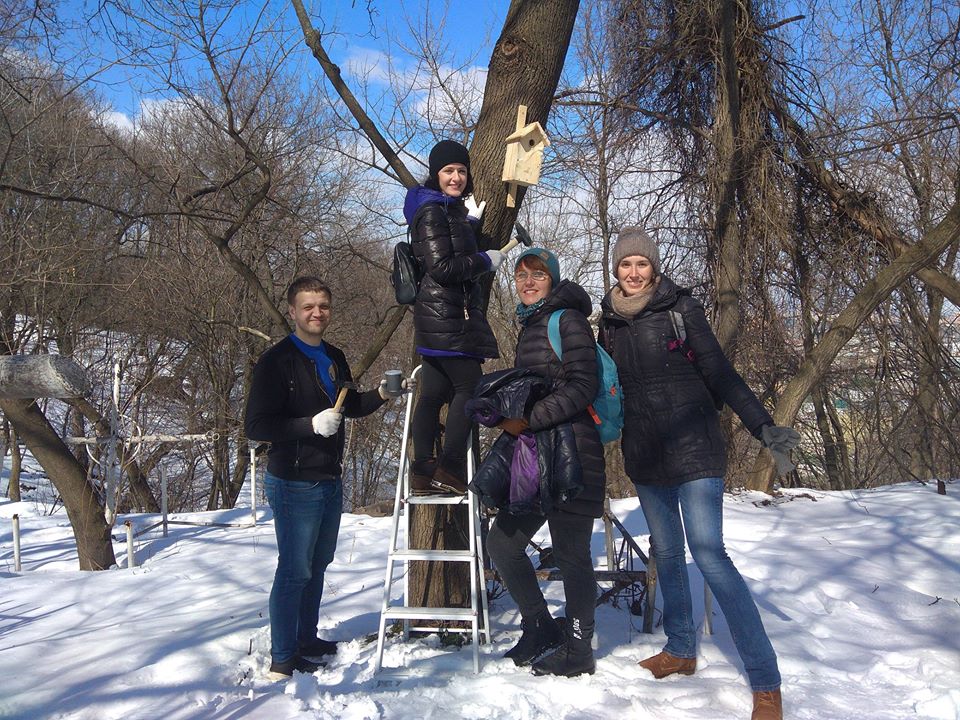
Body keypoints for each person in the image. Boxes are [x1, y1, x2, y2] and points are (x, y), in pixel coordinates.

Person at [598, 227, 800, 720]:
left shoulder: (680, 309)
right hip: (646, 454)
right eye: (625, 265)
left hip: (695, 449)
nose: (633, 273)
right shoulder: (607, 324)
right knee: (666, 553)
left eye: (641, 264)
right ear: (616, 270)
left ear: (654, 268)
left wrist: (766, 429)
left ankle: (766, 682)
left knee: (710, 556)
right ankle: (682, 649)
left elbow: (720, 372)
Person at [244, 276, 402, 679]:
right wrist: (308, 425)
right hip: (294, 482)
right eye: (309, 307)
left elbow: (347, 408)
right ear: (293, 311)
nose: (317, 313)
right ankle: (282, 658)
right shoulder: (276, 362)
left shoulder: (334, 355)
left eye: (324, 307)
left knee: (318, 564)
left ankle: (307, 640)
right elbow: (256, 426)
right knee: (295, 569)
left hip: (330, 478)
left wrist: (382, 394)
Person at [485, 247, 607, 678]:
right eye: (522, 275)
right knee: (501, 543)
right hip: (537, 456)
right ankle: (540, 625)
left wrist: (528, 418)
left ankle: (579, 648)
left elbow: (583, 386)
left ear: (552, 280)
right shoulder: (531, 324)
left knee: (572, 556)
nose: (529, 281)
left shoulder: (566, 320)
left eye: (538, 274)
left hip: (573, 455)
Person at [403, 139, 503, 495]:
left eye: (461, 171)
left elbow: (449, 246)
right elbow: (443, 266)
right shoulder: (432, 211)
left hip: (439, 319)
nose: (456, 177)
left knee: (432, 393)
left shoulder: (445, 210)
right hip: (447, 317)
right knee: (469, 388)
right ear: (435, 174)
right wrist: (485, 260)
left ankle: (421, 470)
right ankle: (450, 467)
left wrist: (469, 224)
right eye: (448, 171)